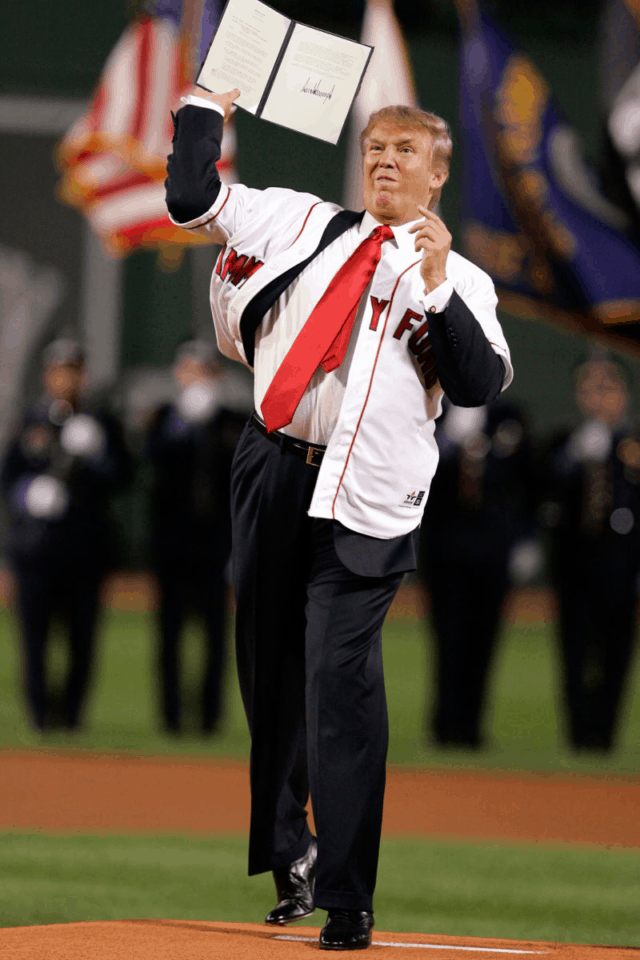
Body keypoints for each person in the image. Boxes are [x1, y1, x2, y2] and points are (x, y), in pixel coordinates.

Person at [165, 86, 513, 950]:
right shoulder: (300, 221)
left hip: (368, 500)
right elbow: (190, 198)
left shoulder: (461, 278)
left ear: (437, 176)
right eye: (375, 148)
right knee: (268, 673)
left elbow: (475, 384)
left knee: (338, 685)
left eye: (405, 151)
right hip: (273, 467)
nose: (385, 160)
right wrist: (205, 105)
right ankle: (294, 851)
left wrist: (433, 290)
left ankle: (350, 897)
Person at [0, 338, 132, 732]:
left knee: (81, 641)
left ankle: (72, 719)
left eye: (73, 370)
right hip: (35, 550)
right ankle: (40, 717)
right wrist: (29, 494)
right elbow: (8, 480)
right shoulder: (29, 420)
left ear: (82, 375)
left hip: (84, 550)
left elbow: (123, 478)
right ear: (46, 375)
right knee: (34, 641)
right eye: (59, 370)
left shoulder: (101, 421)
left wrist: (97, 456)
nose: (66, 378)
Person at [418, 398, 538, 749]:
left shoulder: (509, 416)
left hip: (493, 550)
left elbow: (527, 480)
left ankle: (471, 727)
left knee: (485, 640)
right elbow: (416, 473)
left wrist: (527, 538)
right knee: (446, 638)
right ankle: (443, 725)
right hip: (445, 549)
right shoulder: (433, 414)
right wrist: (449, 447)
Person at [144, 339, 245, 735]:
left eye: (206, 371)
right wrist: (182, 428)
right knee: (169, 634)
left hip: (217, 544)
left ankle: (209, 718)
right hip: (172, 545)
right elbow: (151, 463)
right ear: (178, 375)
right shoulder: (165, 418)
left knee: (216, 636)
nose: (198, 379)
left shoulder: (233, 422)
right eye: (191, 370)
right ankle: (170, 717)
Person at [540, 356, 640, 753]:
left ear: (624, 394)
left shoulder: (632, 444)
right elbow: (545, 492)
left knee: (617, 652)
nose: (597, 400)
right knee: (574, 651)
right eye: (589, 389)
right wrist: (573, 459)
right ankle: (579, 735)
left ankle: (605, 735)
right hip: (575, 565)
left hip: (622, 564)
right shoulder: (566, 442)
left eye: (606, 389)